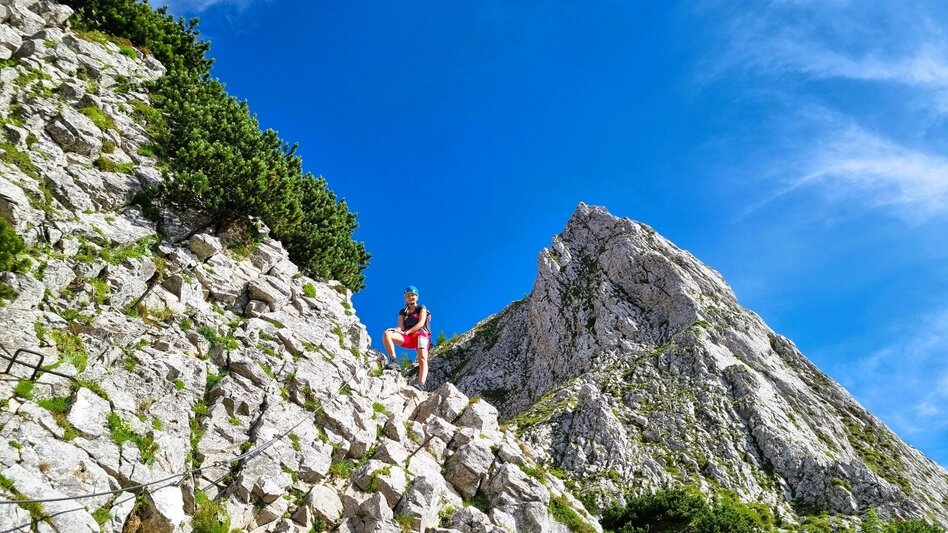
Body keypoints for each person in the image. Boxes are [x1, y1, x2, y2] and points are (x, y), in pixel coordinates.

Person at [382, 286, 430, 390]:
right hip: (408, 336)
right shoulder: (403, 312)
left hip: (421, 335)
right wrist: (396, 330)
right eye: (408, 296)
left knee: (422, 358)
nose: (410, 297)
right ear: (405, 298)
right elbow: (400, 326)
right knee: (387, 334)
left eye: (412, 295)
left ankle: (421, 383)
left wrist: (407, 332)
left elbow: (421, 323)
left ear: (417, 297)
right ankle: (394, 361)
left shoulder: (421, 308)